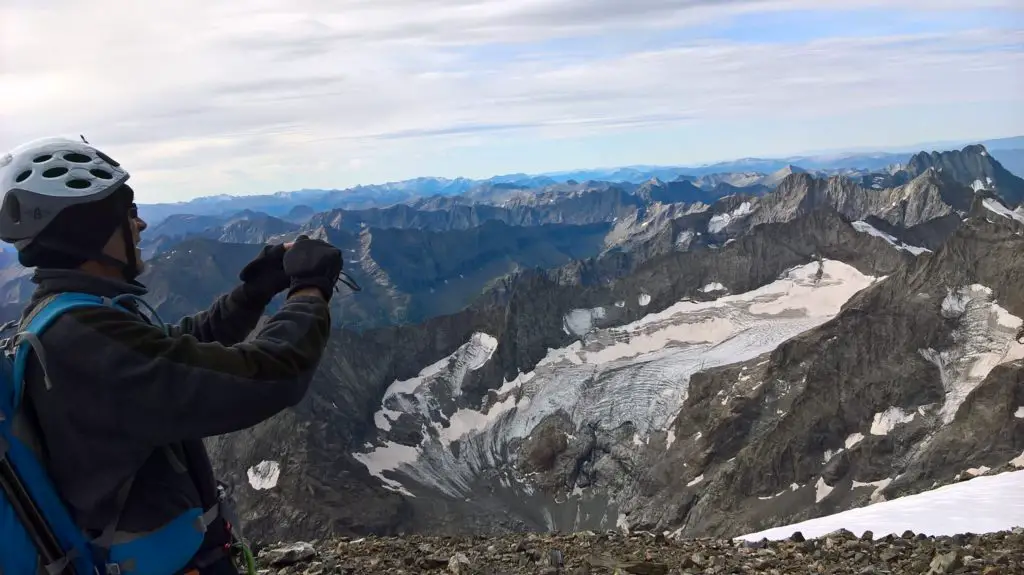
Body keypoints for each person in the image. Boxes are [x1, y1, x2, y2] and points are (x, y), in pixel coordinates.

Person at [0, 137, 342, 574]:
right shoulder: (85, 342)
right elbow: (271, 375)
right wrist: (310, 291)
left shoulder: (69, 317)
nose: (140, 226)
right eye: (129, 213)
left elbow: (176, 350)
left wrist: (255, 291)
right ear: (90, 231)